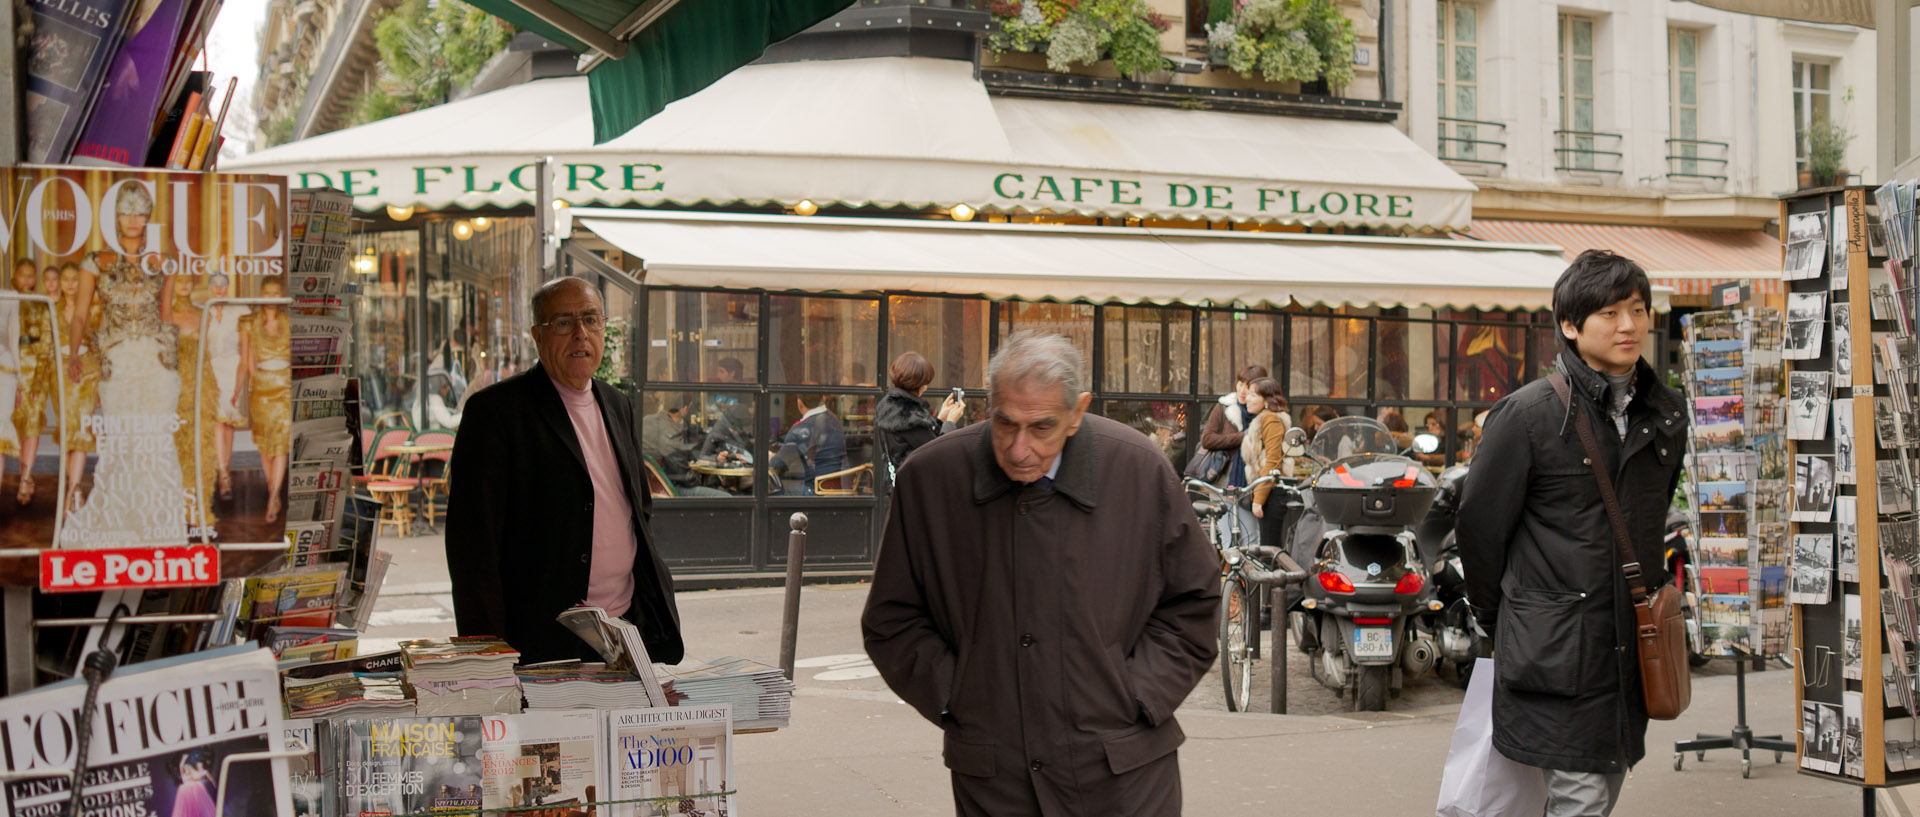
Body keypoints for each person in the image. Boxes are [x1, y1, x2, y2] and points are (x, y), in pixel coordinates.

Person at [862, 331, 1219, 816]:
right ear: (988, 404)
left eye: (1042, 428)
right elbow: (892, 620)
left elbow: (1193, 601)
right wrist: (958, 697)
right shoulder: (931, 479)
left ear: (1078, 412)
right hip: (996, 775)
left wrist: (1137, 695)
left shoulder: (1140, 469)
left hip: (1124, 770)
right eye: (1005, 424)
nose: (1018, 449)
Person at [1456, 249, 1687, 816]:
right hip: (1553, 656)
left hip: (1630, 651)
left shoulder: (1665, 415)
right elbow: (1479, 529)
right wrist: (1507, 618)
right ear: (1569, 325)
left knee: (1600, 792)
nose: (1628, 325)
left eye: (1637, 309)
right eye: (1609, 313)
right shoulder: (1529, 416)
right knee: (1580, 802)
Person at [446, 276, 684, 666]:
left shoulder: (617, 404)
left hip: (624, 626)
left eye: (591, 320)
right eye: (564, 322)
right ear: (537, 335)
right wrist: (487, 657)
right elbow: (472, 549)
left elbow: (637, 510)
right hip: (541, 637)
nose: (580, 334)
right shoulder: (496, 412)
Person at [62, 183, 187, 545]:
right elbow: (81, 314)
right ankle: (121, 526)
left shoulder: (162, 262)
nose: (133, 219)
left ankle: (158, 528)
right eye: (126, 211)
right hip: (115, 361)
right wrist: (74, 354)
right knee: (121, 440)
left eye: (139, 212)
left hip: (155, 362)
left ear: (147, 217)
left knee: (155, 440)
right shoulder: (95, 261)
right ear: (116, 216)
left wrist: (173, 364)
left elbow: (165, 317)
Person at [168, 274, 217, 531]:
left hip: (200, 384)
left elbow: (206, 351)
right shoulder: (165, 316)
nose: (184, 285)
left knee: (201, 446)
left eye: (188, 281)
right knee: (176, 447)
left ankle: (199, 507)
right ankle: (177, 508)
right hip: (175, 387)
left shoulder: (203, 313)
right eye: (179, 281)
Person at [243, 278, 293, 520]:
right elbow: (248, 357)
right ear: (261, 295)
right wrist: (254, 379)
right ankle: (272, 490)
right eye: (268, 293)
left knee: (282, 442)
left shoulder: (289, 321)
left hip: (285, 385)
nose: (272, 297)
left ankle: (273, 494)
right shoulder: (250, 322)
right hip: (262, 386)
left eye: (276, 293)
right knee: (265, 443)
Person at [873, 351, 963, 477]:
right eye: (926, 382)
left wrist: (941, 419)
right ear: (919, 384)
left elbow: (924, 441)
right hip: (916, 488)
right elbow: (938, 453)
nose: (926, 387)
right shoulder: (910, 415)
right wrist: (950, 423)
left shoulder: (888, 405)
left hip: (900, 485)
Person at [204, 273, 249, 501]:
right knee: (217, 421)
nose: (219, 289)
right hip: (212, 369)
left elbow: (244, 349)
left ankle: (224, 471)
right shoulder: (206, 310)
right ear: (209, 287)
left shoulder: (239, 310)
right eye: (215, 285)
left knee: (228, 422)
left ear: (228, 286)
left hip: (232, 369)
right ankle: (224, 475)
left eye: (223, 284)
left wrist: (239, 385)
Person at [12, 263, 54, 505]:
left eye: (31, 275)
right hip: (7, 372)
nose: (27, 279)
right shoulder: (5, 301)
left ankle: (26, 476)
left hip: (35, 372)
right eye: (22, 274)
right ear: (14, 277)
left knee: (32, 426)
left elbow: (47, 341)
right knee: (12, 427)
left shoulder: (41, 303)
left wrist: (38, 379)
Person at [1243, 377, 1293, 549]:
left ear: (1267, 400)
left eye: (1253, 395)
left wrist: (1259, 499)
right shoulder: (1263, 419)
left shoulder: (1270, 419)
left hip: (1272, 492)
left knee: (1270, 550)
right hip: (1268, 491)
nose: (1247, 398)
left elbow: (1273, 460)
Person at [1200, 365, 1267, 489]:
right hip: (1224, 476)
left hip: (1257, 479)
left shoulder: (1265, 414)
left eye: (1247, 387)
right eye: (1240, 384)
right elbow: (1207, 439)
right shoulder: (1225, 406)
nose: (1242, 391)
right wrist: (1243, 436)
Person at [770, 393, 847, 495]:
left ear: (799, 403)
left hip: (814, 491)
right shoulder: (835, 421)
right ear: (823, 398)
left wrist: (771, 457)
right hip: (839, 488)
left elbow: (776, 465)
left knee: (773, 490)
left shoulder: (799, 429)